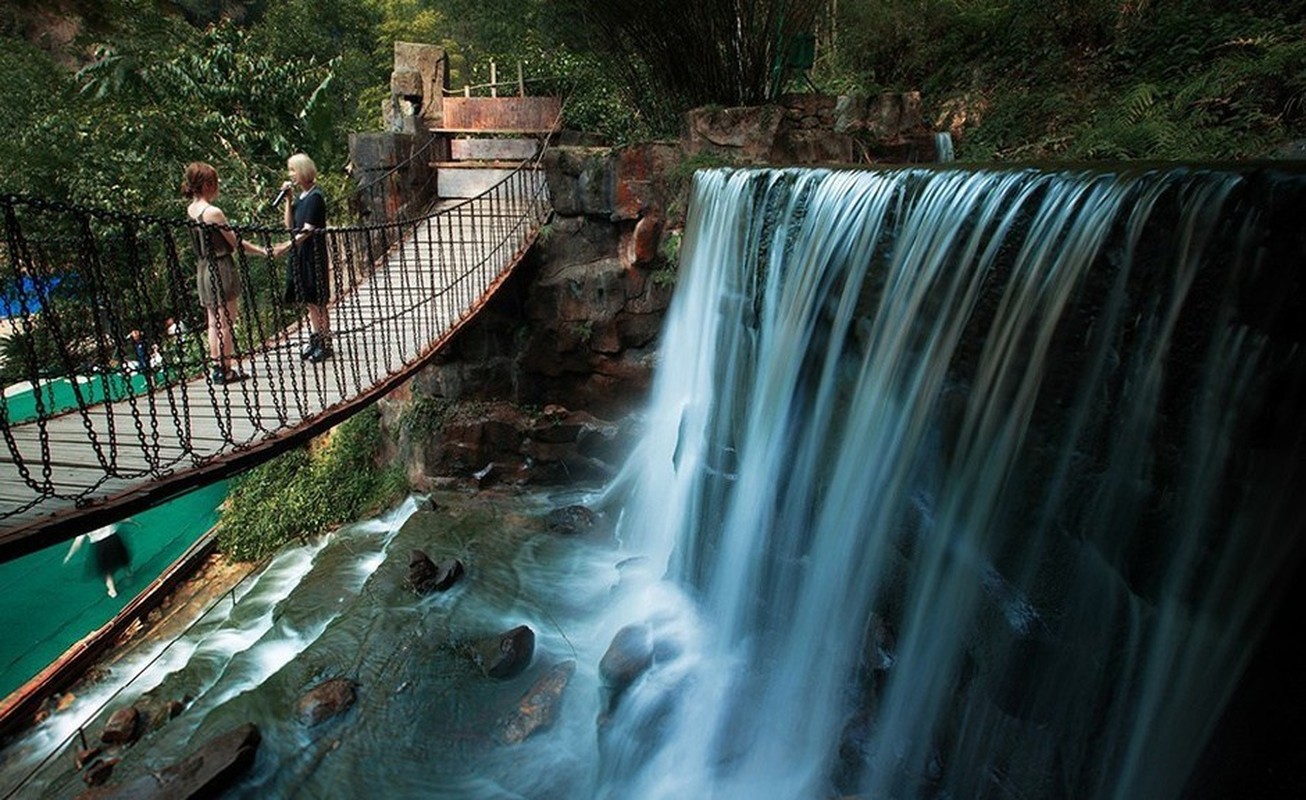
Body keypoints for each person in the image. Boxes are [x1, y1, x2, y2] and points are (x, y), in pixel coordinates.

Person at [181, 161, 266, 384]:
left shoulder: (191, 210)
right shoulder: (213, 212)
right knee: (227, 320)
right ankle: (226, 369)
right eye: (216, 182)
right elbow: (235, 242)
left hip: (202, 268)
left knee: (212, 321)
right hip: (220, 267)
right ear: (208, 184)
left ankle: (217, 366)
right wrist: (262, 251)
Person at [271, 153, 331, 363]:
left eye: (293, 170)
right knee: (308, 299)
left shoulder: (315, 198)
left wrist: (286, 247)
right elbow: (291, 226)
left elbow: (307, 231)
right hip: (301, 253)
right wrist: (288, 200)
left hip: (312, 253)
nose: (291, 174)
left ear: (303, 171)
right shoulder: (301, 198)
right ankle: (315, 337)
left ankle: (324, 341)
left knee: (318, 298)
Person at [64, 523, 132, 598]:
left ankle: (112, 590)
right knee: (122, 557)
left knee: (106, 569)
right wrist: (133, 522)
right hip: (114, 539)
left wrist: (69, 555)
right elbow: (123, 519)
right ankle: (128, 572)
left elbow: (78, 542)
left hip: (100, 545)